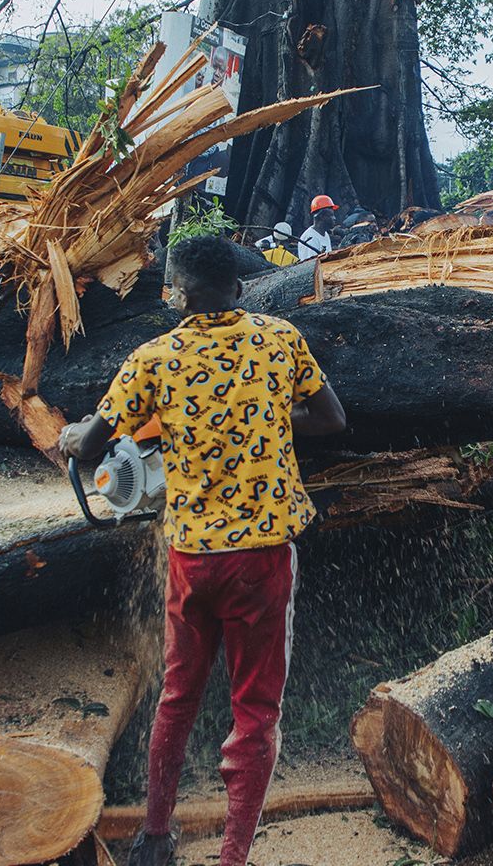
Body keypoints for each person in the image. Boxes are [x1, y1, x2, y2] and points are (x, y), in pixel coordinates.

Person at [57, 236, 346, 866]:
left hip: (191, 560)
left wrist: (71, 433)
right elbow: (332, 419)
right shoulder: (280, 340)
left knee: (178, 695)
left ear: (174, 294)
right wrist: (267, 418)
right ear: (240, 288)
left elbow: (88, 448)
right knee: (256, 710)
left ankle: (155, 836)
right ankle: (232, 857)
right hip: (264, 558)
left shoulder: (153, 359)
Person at [297, 195, 336, 260]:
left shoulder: (325, 234)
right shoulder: (310, 238)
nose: (334, 218)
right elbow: (310, 266)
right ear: (322, 216)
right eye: (331, 215)